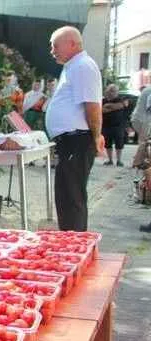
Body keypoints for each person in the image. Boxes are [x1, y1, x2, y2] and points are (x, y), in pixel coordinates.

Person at [44, 26, 104, 232]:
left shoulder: (82, 66)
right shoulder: (73, 67)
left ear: (71, 43)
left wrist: (96, 137)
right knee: (66, 196)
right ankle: (71, 239)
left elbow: (93, 107)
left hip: (76, 141)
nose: (52, 51)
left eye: (55, 46)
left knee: (71, 197)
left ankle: (75, 241)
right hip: (70, 141)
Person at [101, 84, 129, 167]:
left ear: (117, 92)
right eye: (110, 91)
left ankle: (119, 161)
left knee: (119, 144)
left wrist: (108, 106)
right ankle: (110, 160)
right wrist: (117, 106)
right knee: (107, 144)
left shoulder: (121, 99)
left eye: (113, 91)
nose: (111, 93)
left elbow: (125, 104)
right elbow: (101, 110)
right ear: (106, 91)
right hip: (106, 125)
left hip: (118, 126)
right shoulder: (102, 100)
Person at [131, 85, 151, 168]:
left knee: (144, 141)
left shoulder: (147, 89)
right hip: (144, 119)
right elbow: (149, 107)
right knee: (144, 141)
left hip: (138, 118)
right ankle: (137, 163)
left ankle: (142, 160)